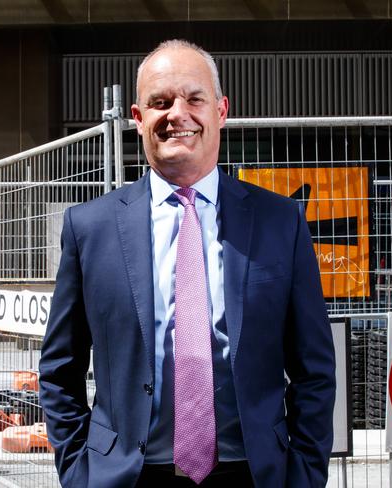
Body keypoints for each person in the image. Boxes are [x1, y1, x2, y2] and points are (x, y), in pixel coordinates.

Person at [39, 39, 336, 488]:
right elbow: (60, 369)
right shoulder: (90, 228)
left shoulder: (281, 223)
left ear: (220, 110)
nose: (178, 114)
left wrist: (305, 475)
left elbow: (314, 369)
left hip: (254, 473)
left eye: (194, 98)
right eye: (160, 102)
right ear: (138, 119)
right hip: (128, 475)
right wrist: (78, 472)